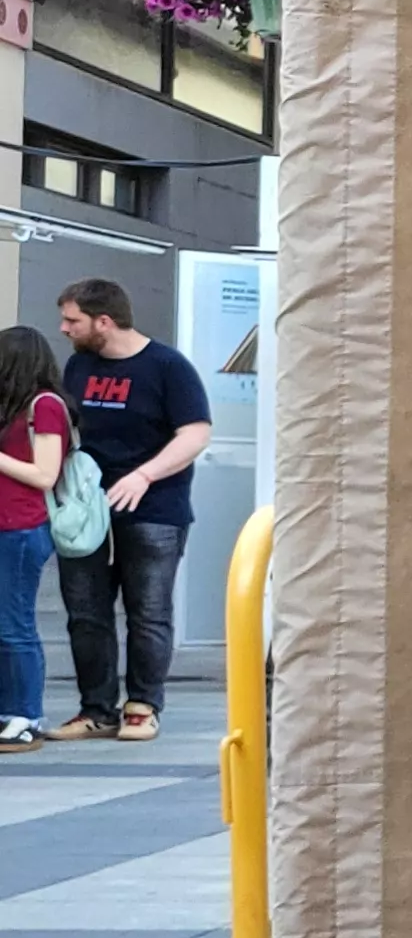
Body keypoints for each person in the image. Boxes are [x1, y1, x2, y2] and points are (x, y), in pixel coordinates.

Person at [47, 281, 209, 743]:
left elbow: (195, 434)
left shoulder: (167, 367)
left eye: (73, 320)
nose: (64, 329)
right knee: (86, 613)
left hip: (154, 508)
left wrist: (145, 475)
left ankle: (142, 706)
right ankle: (95, 710)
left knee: (149, 612)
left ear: (104, 321)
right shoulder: (79, 365)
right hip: (88, 510)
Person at [0, 326, 68, 752]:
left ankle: (26, 713)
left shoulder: (44, 406)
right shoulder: (12, 409)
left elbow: (45, 473)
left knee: (15, 625)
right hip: (7, 525)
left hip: (22, 528)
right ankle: (11, 711)